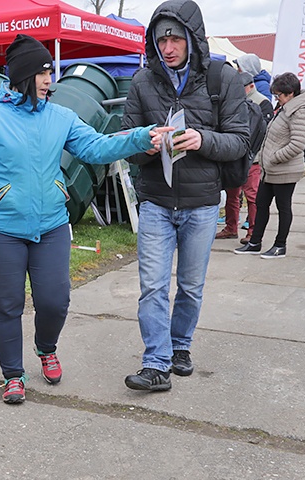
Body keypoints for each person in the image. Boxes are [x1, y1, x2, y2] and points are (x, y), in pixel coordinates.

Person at [0, 34, 171, 404]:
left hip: (52, 226)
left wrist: (141, 138)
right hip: (0, 231)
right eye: (43, 73)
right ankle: (13, 374)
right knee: (7, 305)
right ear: (23, 76)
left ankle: (46, 348)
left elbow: (95, 147)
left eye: (50, 71)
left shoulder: (61, 117)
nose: (49, 80)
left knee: (55, 300)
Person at [120, 0, 248, 392]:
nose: (168, 46)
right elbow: (127, 141)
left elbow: (240, 141)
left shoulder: (221, 78)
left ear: (192, 38)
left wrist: (202, 139)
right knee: (154, 286)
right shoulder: (143, 82)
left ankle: (180, 346)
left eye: (175, 37)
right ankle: (156, 363)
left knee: (191, 286)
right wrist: (145, 142)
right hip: (156, 201)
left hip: (202, 203)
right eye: (161, 39)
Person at [233, 72, 305, 259]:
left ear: (290, 93)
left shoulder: (302, 111)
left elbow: (297, 144)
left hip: (285, 170)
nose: (277, 99)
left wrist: (273, 157)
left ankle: (280, 246)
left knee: (283, 207)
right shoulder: (286, 107)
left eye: (279, 95)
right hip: (271, 170)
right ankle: (255, 242)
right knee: (262, 204)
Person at [216, 71, 273, 243]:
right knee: (233, 194)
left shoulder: (263, 103)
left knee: (252, 196)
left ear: (250, 86)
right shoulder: (234, 101)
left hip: (252, 159)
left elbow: (264, 134)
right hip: (235, 157)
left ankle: (252, 232)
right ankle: (231, 228)